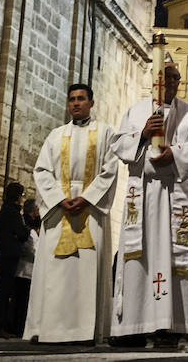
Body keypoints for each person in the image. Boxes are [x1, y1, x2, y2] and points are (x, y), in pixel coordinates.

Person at [110, 61, 188, 349]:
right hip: (143, 193)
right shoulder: (137, 110)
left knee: (173, 260)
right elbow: (118, 144)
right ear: (156, 80)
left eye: (177, 78)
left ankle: (170, 327)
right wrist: (142, 134)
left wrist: (175, 154)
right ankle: (132, 327)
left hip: (176, 193)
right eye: (168, 77)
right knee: (138, 258)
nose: (173, 82)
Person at [24, 83, 118, 344]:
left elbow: (110, 169)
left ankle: (86, 331)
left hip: (91, 210)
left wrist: (87, 198)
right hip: (59, 209)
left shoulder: (106, 133)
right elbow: (41, 170)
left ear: (91, 103)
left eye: (81, 99)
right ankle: (48, 329)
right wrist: (58, 198)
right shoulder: (56, 135)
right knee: (55, 272)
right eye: (72, 100)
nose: (76, 103)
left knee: (85, 274)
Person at [0, 182, 29, 338]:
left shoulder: (6, 210)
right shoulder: (11, 212)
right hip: (8, 255)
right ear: (17, 196)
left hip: (5, 254)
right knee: (3, 292)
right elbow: (22, 233)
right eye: (22, 195)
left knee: (4, 291)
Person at [13, 199, 40, 337]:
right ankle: (18, 329)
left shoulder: (31, 229)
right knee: (21, 303)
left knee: (21, 301)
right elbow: (32, 250)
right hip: (25, 271)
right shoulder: (29, 231)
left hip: (26, 270)